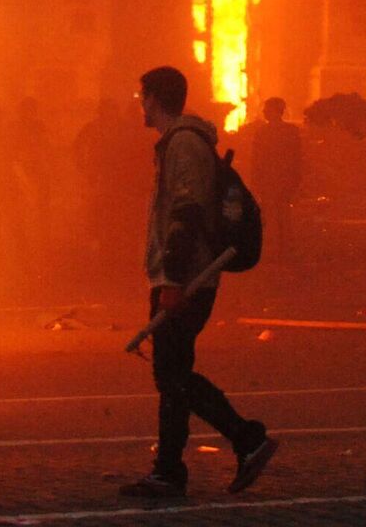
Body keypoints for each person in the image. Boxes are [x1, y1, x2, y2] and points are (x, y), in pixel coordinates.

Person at [120, 66, 277, 498]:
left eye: (142, 96)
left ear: (155, 98)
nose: (140, 105)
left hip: (187, 279)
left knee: (172, 375)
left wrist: (171, 279)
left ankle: (247, 438)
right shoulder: (179, 143)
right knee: (172, 374)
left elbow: (186, 214)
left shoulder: (185, 144)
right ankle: (168, 471)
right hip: (183, 277)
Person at [249, 97, 302, 261]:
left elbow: (257, 159)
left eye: (267, 109)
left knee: (272, 215)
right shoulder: (290, 131)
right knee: (281, 215)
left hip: (273, 180)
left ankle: (276, 250)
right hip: (279, 180)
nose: (264, 111)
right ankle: (283, 249)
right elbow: (297, 159)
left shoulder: (263, 133)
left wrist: (256, 179)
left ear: (275, 111)